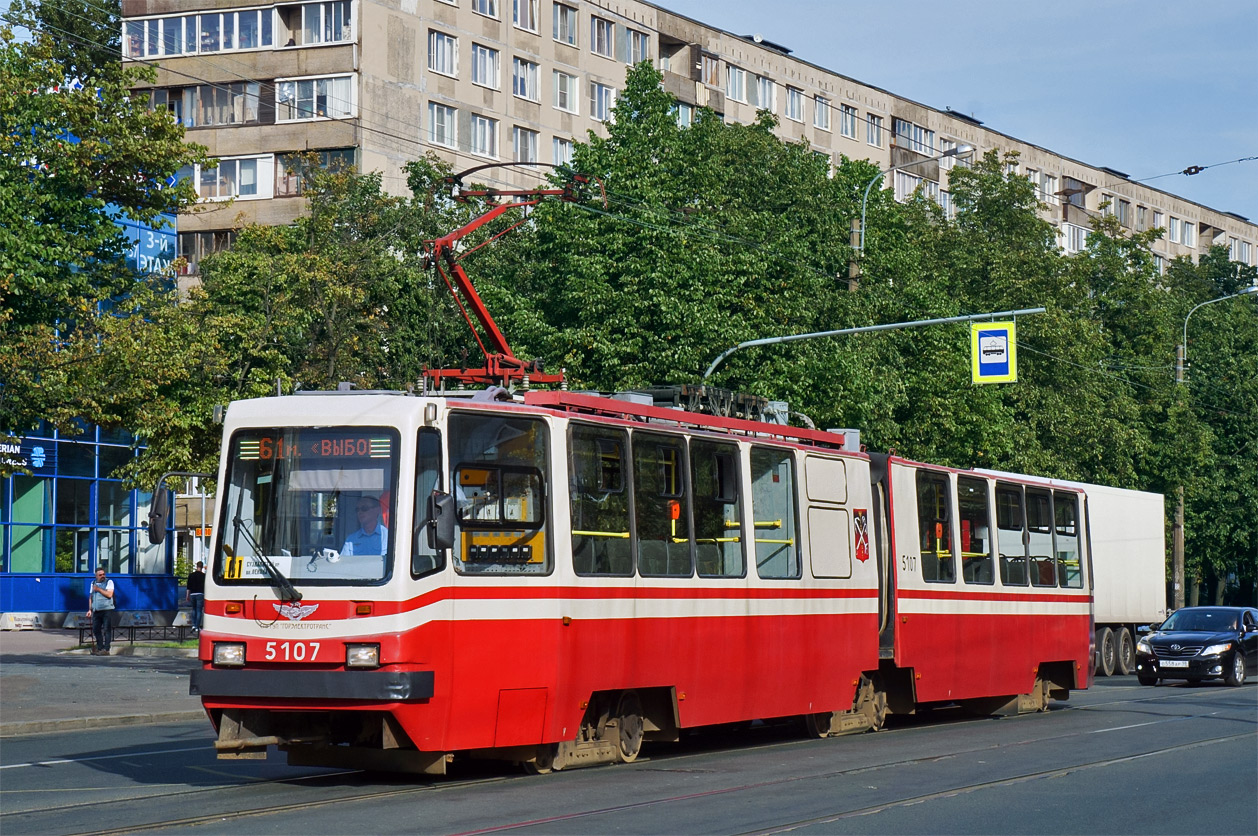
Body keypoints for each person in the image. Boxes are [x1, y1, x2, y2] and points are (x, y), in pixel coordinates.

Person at [86, 568, 116, 656]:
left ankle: (106, 649)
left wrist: (98, 589)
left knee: (107, 629)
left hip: (107, 609)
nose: (102, 576)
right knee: (96, 629)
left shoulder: (109, 582)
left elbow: (109, 594)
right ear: (96, 576)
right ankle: (100, 647)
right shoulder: (93, 583)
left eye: (103, 574)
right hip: (96, 610)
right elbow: (91, 597)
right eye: (100, 575)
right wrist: (90, 609)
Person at [185, 561, 206, 632]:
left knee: (193, 610)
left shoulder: (191, 575)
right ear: (202, 567)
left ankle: (193, 625)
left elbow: (188, 587)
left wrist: (187, 596)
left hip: (192, 594)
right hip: (200, 594)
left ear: (196, 566)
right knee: (199, 610)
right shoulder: (204, 576)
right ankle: (197, 626)